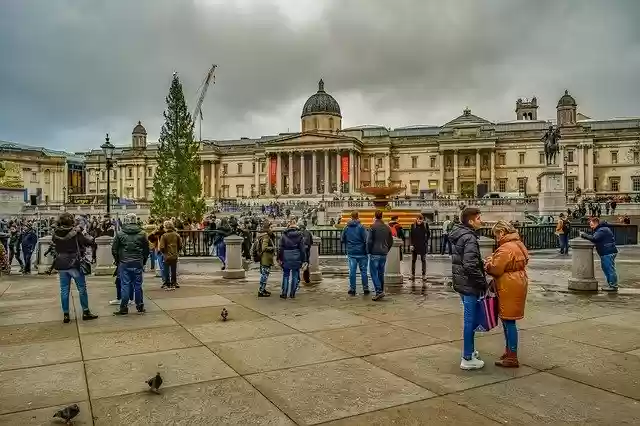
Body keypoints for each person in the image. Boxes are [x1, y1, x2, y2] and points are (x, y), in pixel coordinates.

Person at [484, 220, 529, 368]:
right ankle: (509, 350)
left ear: (502, 232)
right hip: (519, 281)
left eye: (497, 235)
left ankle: (512, 356)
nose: (496, 238)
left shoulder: (505, 248)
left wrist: (488, 264)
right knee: (509, 320)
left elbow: (496, 269)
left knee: (508, 321)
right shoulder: (518, 244)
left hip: (508, 285)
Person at [449, 207, 487, 370]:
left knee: (469, 319)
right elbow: (470, 265)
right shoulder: (470, 238)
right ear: (471, 221)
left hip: (462, 283)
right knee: (470, 321)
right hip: (470, 284)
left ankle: (470, 351)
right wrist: (482, 283)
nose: (481, 220)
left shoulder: (460, 234)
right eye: (479, 218)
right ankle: (467, 357)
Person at [51, 213, 99, 324]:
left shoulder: (56, 233)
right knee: (81, 288)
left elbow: (55, 244)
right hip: (74, 263)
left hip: (61, 264)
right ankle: (86, 312)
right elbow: (89, 242)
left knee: (64, 290)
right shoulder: (76, 233)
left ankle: (66, 314)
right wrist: (84, 233)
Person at [112, 213, 150, 315]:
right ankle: (140, 306)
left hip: (124, 262)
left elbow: (114, 249)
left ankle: (124, 307)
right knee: (138, 284)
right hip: (138, 261)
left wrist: (118, 260)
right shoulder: (142, 233)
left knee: (125, 284)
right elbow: (146, 250)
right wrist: (144, 261)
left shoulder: (120, 233)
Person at [580, 217, 618, 291]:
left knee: (609, 269)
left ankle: (613, 286)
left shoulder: (602, 230)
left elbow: (594, 238)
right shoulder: (602, 229)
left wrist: (584, 235)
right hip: (607, 251)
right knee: (607, 268)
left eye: (591, 225)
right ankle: (611, 284)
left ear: (596, 223)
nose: (591, 227)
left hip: (607, 252)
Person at [277, 218, 307, 299]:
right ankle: (292, 293)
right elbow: (302, 249)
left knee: (286, 275)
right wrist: (304, 260)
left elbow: (280, 248)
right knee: (295, 275)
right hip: (296, 256)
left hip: (286, 256)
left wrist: (279, 258)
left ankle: (284, 293)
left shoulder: (284, 235)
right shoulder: (300, 235)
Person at [367, 210, 393, 301]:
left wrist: (369, 251)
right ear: (382, 216)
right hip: (383, 253)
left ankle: (378, 291)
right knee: (381, 273)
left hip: (375, 253)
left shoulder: (373, 227)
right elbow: (391, 241)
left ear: (375, 216)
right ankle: (381, 290)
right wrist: (386, 249)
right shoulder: (387, 227)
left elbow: (369, 241)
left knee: (373, 273)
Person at [341, 211, 369, 295]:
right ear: (358, 217)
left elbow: (342, 239)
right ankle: (365, 288)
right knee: (363, 271)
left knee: (352, 271)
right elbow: (366, 239)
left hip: (351, 252)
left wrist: (349, 243)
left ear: (351, 217)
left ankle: (352, 289)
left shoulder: (346, 227)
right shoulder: (361, 227)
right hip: (362, 252)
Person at [159, 220, 183, 290]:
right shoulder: (176, 235)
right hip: (174, 254)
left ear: (165, 227)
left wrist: (163, 252)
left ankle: (167, 282)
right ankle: (174, 282)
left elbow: (162, 247)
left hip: (166, 255)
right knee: (173, 269)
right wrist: (176, 250)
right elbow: (180, 245)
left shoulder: (164, 236)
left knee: (166, 269)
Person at [256, 221, 276, 297]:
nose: (272, 228)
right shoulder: (266, 236)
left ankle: (263, 289)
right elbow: (264, 247)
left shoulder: (262, 235)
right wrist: (273, 248)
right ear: (268, 228)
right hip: (265, 258)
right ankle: (261, 291)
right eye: (271, 227)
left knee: (264, 274)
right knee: (265, 275)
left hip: (263, 258)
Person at [409, 214, 430, 280]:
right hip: (414, 245)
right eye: (418, 219)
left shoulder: (425, 225)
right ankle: (413, 274)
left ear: (422, 220)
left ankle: (424, 275)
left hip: (423, 245)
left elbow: (428, 234)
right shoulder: (413, 225)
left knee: (423, 260)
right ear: (416, 219)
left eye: (420, 220)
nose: (419, 221)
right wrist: (411, 244)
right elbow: (411, 236)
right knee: (413, 260)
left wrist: (426, 241)